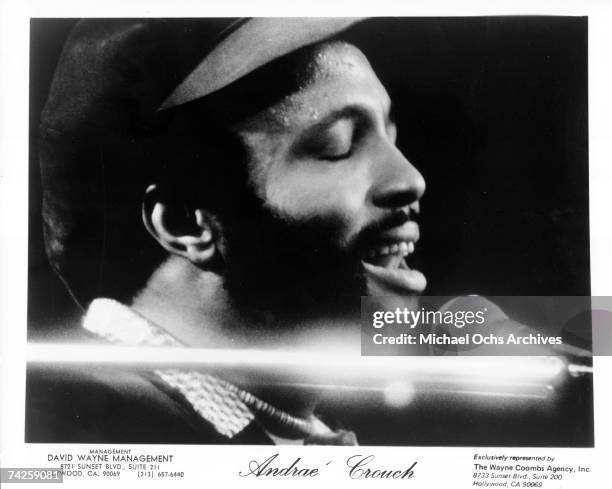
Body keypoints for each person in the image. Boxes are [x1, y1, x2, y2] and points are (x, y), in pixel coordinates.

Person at [26, 18, 426, 445]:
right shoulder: (78, 423)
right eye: (338, 145)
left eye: (390, 135)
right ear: (184, 225)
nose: (411, 179)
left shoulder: (274, 431)